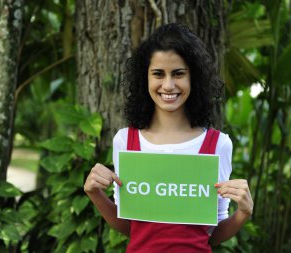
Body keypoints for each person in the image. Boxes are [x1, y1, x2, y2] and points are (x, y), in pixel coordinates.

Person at [84, 23, 253, 252]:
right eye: (158, 74)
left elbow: (212, 234)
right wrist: (95, 194)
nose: (168, 85)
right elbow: (131, 226)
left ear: (194, 78)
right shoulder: (126, 141)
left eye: (178, 74)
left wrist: (243, 213)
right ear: (145, 78)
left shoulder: (217, 145)